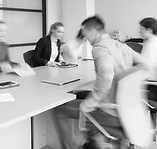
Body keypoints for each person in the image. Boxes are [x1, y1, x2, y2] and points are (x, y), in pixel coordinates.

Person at [54, 16, 147, 149]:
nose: (84, 36)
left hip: (112, 111)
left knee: (60, 110)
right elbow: (145, 64)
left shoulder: (100, 48)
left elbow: (106, 77)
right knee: (82, 95)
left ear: (92, 31)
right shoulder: (120, 44)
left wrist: (91, 102)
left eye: (84, 32)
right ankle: (93, 142)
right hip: (128, 108)